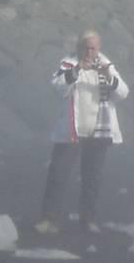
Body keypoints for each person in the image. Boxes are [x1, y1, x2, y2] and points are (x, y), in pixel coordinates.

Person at [36, 30, 128, 236]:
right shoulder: (68, 63)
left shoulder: (106, 65)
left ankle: (89, 220)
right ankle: (48, 220)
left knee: (92, 178)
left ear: (99, 49)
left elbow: (123, 92)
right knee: (58, 175)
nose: (89, 52)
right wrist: (77, 70)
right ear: (79, 47)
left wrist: (108, 76)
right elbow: (57, 86)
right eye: (86, 47)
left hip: (99, 131)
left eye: (93, 48)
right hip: (72, 130)